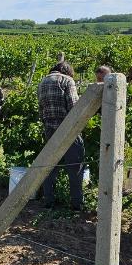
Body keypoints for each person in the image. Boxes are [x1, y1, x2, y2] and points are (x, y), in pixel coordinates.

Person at [37, 61, 85, 210]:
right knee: (75, 167)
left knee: (49, 167)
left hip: (50, 129)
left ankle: (48, 200)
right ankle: (76, 204)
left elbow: (40, 108)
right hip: (68, 130)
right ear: (67, 71)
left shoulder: (42, 82)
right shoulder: (67, 80)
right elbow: (74, 107)